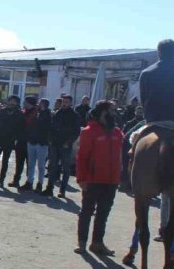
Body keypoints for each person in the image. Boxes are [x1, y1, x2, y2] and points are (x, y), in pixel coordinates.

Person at [74, 100, 123, 255]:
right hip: (92, 179)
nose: (114, 113)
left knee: (103, 213)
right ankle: (82, 242)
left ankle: (97, 243)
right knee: (87, 212)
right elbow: (82, 157)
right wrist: (81, 179)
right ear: (102, 112)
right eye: (111, 110)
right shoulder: (89, 132)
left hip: (111, 180)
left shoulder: (116, 132)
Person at [42, 94, 79, 198]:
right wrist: (50, 139)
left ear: (71, 103)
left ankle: (62, 191)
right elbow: (51, 127)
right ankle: (49, 189)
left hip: (65, 145)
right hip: (55, 143)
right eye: (63, 102)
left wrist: (68, 142)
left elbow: (76, 132)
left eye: (67, 102)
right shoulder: (58, 113)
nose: (64, 104)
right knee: (52, 166)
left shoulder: (74, 115)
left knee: (65, 168)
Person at [0, 95, 24, 187]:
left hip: (9, 141)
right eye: (10, 101)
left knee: (5, 161)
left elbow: (20, 128)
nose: (11, 103)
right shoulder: (2, 111)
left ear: (17, 103)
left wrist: (14, 137)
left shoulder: (19, 114)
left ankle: (1, 180)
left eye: (14, 101)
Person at [21, 98, 52, 192]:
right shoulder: (35, 112)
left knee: (41, 166)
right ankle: (29, 182)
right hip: (32, 141)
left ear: (45, 105)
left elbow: (47, 128)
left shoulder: (49, 114)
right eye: (39, 102)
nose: (39, 104)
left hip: (42, 143)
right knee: (31, 164)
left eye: (41, 103)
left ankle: (40, 184)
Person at [9, 97, 35, 187]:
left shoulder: (35, 113)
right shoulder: (23, 112)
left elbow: (30, 125)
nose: (24, 103)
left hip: (30, 141)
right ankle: (16, 180)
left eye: (25, 102)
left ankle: (29, 182)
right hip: (21, 140)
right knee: (19, 162)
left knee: (29, 163)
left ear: (29, 103)